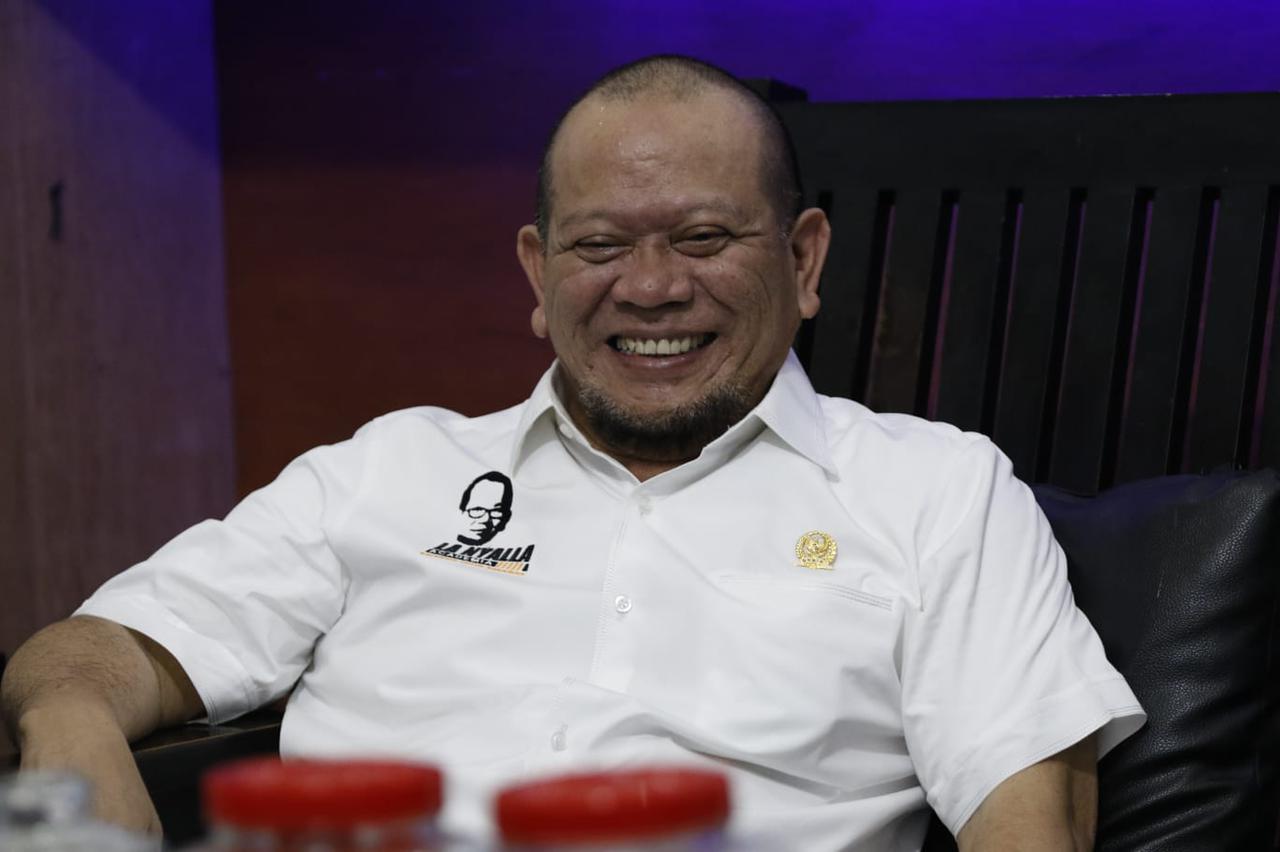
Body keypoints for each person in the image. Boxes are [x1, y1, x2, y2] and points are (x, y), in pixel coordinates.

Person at [0, 55, 1143, 850]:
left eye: (702, 237)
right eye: (598, 246)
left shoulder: (932, 487)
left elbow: (1028, 816)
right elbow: (96, 649)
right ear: (537, 276)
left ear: (802, 261)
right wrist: (70, 727)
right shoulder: (385, 473)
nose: (650, 287)